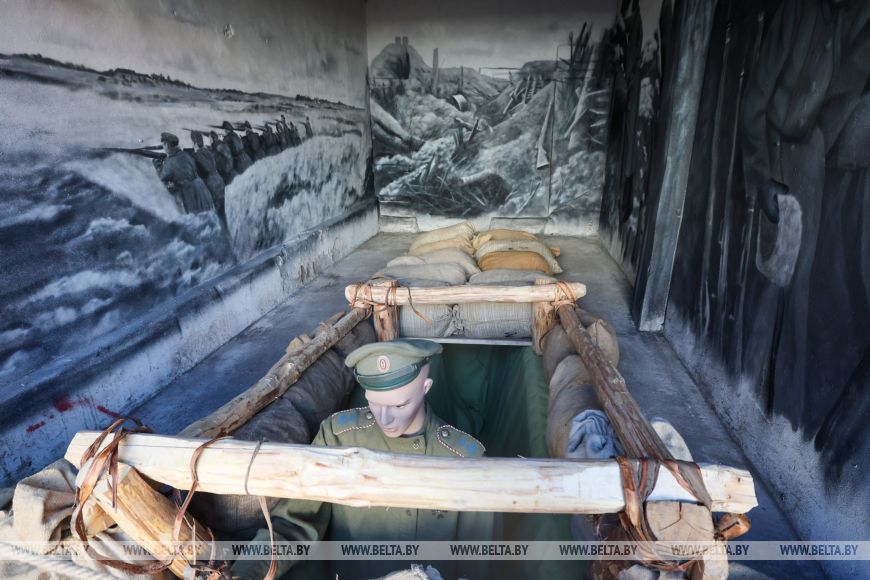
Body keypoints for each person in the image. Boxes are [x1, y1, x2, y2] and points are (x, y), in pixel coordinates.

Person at [231, 339, 497, 579]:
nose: (385, 418)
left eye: (399, 405)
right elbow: (295, 523)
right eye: (374, 403)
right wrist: (246, 572)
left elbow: (477, 560)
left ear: (425, 387)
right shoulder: (339, 437)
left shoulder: (465, 458)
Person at [152, 132, 214, 213]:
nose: (163, 148)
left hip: (190, 194)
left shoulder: (170, 161)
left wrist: (158, 166)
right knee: (206, 215)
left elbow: (163, 177)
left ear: (167, 145)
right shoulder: (185, 154)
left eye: (163, 145)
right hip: (201, 190)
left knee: (195, 217)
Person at [190, 131, 226, 218]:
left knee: (217, 209)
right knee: (223, 205)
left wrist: (195, 153)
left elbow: (199, 171)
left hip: (210, 182)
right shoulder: (207, 150)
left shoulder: (196, 155)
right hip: (219, 179)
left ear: (195, 143)